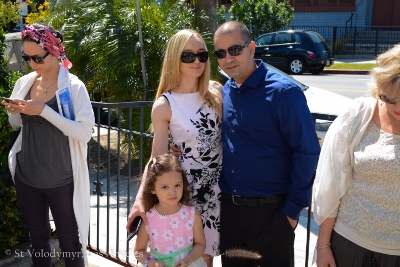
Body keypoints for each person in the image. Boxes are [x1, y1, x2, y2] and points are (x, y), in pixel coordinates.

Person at [213, 21, 320, 267]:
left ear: (251, 48)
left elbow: (307, 152)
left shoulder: (284, 92)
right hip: (231, 212)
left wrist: (292, 212)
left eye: (235, 50)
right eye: (220, 53)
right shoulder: (227, 90)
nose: (228, 58)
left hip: (272, 215)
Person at [126, 29, 223, 266]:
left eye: (202, 54)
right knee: (191, 256)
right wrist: (140, 198)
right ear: (174, 58)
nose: (197, 61)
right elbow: (156, 158)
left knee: (209, 255)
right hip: (186, 190)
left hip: (221, 188)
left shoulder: (217, 91)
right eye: (188, 56)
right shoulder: (165, 104)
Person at [1, 23, 94, 266]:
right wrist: (14, 111)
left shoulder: (73, 87)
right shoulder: (24, 83)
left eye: (38, 58)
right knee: (38, 240)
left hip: (62, 180)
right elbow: (16, 126)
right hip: (27, 177)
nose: (32, 63)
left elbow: (85, 133)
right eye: (26, 57)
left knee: (69, 242)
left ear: (54, 51)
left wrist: (43, 110)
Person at [313, 45, 400, 267]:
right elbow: (332, 186)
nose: (396, 106)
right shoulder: (358, 116)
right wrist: (323, 245)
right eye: (388, 98)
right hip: (348, 243)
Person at [134, 154, 207, 267]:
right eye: (165, 187)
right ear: (153, 188)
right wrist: (153, 263)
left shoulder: (192, 214)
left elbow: (200, 244)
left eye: (177, 185)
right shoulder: (148, 218)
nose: (172, 192)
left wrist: (188, 259)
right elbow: (139, 251)